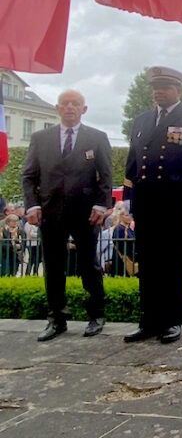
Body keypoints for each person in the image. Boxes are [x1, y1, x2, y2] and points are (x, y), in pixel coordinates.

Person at [122, 67, 182, 344]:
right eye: (155, 87)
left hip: (176, 204)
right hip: (147, 203)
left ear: (178, 90)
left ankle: (172, 321)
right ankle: (148, 320)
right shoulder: (141, 120)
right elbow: (132, 160)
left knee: (173, 264)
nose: (158, 92)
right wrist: (128, 196)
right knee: (148, 264)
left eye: (164, 87)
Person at [21, 90, 112, 341]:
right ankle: (56, 319)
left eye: (76, 104)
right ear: (57, 108)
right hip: (50, 213)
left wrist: (101, 206)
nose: (70, 107)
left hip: (86, 214)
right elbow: (28, 176)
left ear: (84, 109)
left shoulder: (97, 137)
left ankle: (96, 315)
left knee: (89, 266)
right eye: (65, 104)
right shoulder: (40, 138)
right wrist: (32, 206)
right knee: (53, 267)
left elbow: (105, 177)